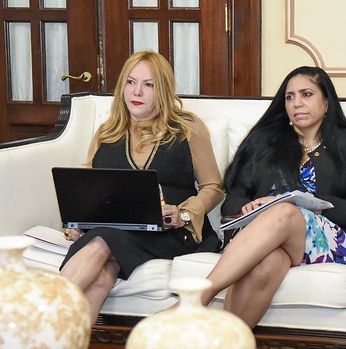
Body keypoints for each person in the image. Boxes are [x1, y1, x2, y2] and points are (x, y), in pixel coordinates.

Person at [194, 66, 346, 328]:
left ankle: (200, 297)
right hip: (266, 239)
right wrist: (250, 206)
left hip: (328, 240)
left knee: (286, 210)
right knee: (268, 264)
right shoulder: (263, 141)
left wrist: (303, 203)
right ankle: (225, 345)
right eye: (289, 97)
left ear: (326, 102)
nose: (296, 103)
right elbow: (231, 201)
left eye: (306, 94)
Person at [60, 50, 224, 324]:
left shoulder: (188, 128)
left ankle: (39, 312)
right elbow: (87, 188)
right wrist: (77, 220)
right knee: (101, 278)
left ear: (163, 91)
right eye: (131, 82)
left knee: (102, 240)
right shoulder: (106, 132)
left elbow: (213, 187)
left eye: (149, 85)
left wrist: (183, 213)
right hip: (118, 231)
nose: (137, 91)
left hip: (171, 233)